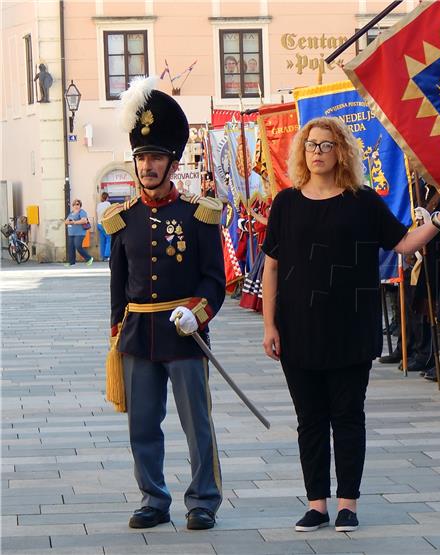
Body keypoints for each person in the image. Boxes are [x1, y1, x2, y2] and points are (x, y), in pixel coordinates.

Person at [261, 116, 440, 533]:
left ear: (341, 152)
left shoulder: (363, 201)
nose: (317, 152)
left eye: (326, 145)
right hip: (298, 326)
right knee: (310, 420)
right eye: (311, 145)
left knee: (348, 417)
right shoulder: (286, 203)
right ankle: (316, 503)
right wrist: (269, 325)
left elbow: (405, 242)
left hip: (351, 326)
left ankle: (347, 504)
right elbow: (271, 267)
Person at [103, 76, 226, 531]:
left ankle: (203, 500)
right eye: (141, 158)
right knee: (143, 428)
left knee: (197, 425)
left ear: (172, 163)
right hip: (138, 337)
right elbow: (119, 286)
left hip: (185, 334)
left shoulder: (198, 214)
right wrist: (116, 333)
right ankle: (153, 497)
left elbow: (216, 281)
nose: (148, 166)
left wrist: (197, 311)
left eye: (155, 157)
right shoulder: (123, 219)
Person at [64, 199, 93, 266]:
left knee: (78, 246)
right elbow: (66, 221)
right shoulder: (71, 213)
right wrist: (69, 222)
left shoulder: (82, 212)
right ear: (73, 205)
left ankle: (89, 258)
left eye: (77, 204)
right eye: (74, 204)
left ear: (80, 205)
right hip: (71, 233)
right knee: (71, 247)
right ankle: (71, 262)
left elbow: (84, 221)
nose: (76, 206)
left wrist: (74, 222)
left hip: (80, 233)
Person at [96, 192, 112, 261]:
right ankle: (107, 256)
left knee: (102, 240)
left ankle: (102, 257)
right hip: (105, 223)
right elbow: (110, 212)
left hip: (99, 224)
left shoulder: (99, 204)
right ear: (107, 197)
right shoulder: (108, 204)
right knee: (109, 239)